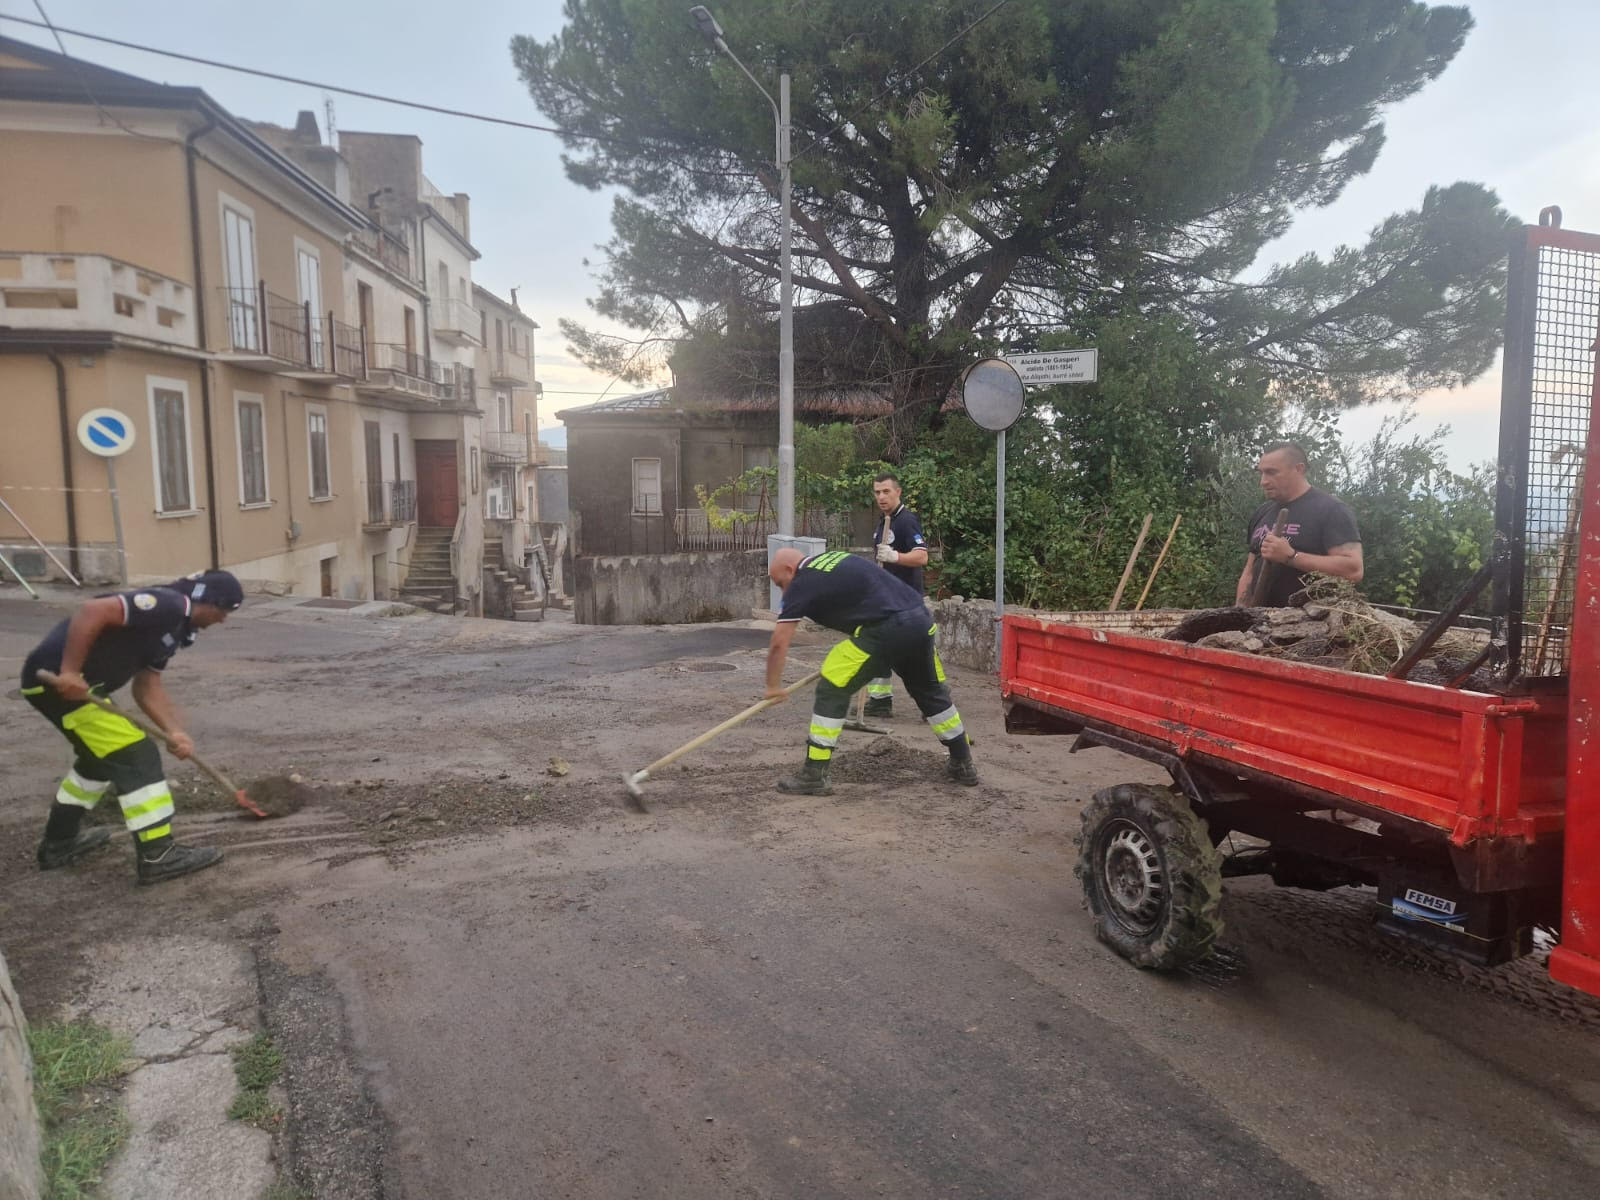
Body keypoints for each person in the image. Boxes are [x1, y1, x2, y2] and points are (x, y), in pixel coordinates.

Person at [20, 570, 245, 885]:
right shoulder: (168, 605)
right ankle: (158, 854)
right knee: (137, 756)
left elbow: (147, 686)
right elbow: (92, 610)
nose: (222, 619)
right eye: (225, 610)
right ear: (210, 601)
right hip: (59, 683)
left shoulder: (175, 630)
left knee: (98, 762)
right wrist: (70, 671)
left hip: (85, 688)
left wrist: (174, 731)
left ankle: (59, 843)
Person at [764, 547, 976, 795]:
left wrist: (773, 686)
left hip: (887, 627)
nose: (783, 591)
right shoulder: (836, 559)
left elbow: (779, 642)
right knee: (929, 691)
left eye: (781, 583)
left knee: (833, 686)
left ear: (791, 569)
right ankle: (963, 762)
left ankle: (814, 774)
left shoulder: (803, 580)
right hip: (919, 620)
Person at [1236, 443, 1363, 607]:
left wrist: (1291, 556)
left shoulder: (1330, 509)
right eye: (1261, 473)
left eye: (1271, 472)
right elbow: (1249, 572)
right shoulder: (1262, 513)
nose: (1263, 481)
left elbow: (1353, 570)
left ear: (1299, 469)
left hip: (1310, 624)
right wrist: (1239, 613)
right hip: (1261, 624)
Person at [864, 472, 929, 718]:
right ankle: (880, 701)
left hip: (907, 602)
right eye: (877, 492)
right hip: (885, 600)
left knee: (916, 653)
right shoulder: (884, 521)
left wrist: (895, 556)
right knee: (878, 648)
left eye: (886, 491)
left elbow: (922, 556)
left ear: (898, 492)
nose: (881, 496)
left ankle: (932, 701)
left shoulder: (906, 521)